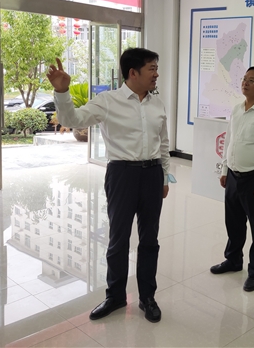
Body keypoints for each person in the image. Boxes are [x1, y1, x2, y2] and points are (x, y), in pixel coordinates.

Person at [46, 48, 172, 323]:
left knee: (150, 239)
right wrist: (62, 92)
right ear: (133, 72)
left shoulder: (157, 104)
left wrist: (164, 177)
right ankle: (115, 296)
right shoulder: (108, 101)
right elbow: (71, 120)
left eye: (156, 68)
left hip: (152, 174)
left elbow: (163, 143)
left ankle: (147, 297)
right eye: (152, 68)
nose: (156, 74)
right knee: (118, 238)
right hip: (122, 175)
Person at [210, 67, 254, 292]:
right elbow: (229, 141)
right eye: (245, 79)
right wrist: (224, 170)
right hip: (233, 175)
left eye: (251, 80)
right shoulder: (237, 109)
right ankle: (233, 260)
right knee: (234, 222)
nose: (245, 83)